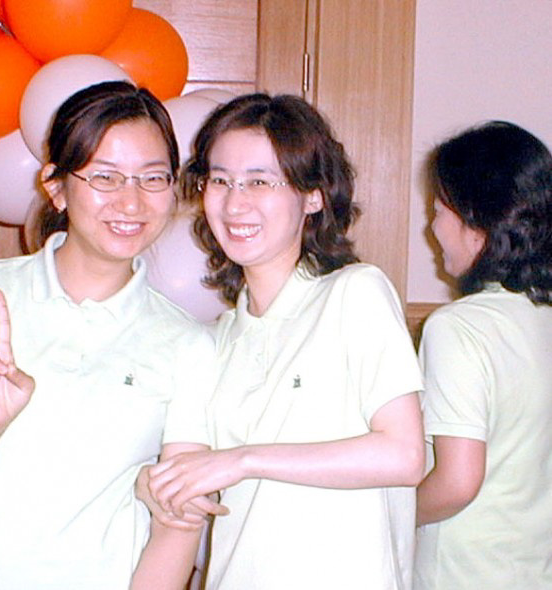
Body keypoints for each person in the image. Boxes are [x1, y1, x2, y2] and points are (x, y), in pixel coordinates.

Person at [0, 80, 215, 589]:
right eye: (105, 176)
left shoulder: (188, 344)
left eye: (153, 178)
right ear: (55, 186)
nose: (132, 202)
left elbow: (178, 523)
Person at [135, 93, 425, 589]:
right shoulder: (218, 339)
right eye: (220, 180)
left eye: (260, 181)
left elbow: (404, 456)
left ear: (313, 196)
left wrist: (244, 459)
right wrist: (154, 484)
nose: (235, 202)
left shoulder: (354, 293)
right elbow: (195, 483)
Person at [414, 121, 552, 589]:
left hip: (465, 574)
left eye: (437, 211)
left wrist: (386, 516)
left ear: (477, 225)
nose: (432, 228)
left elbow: (456, 483)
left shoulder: (459, 328)